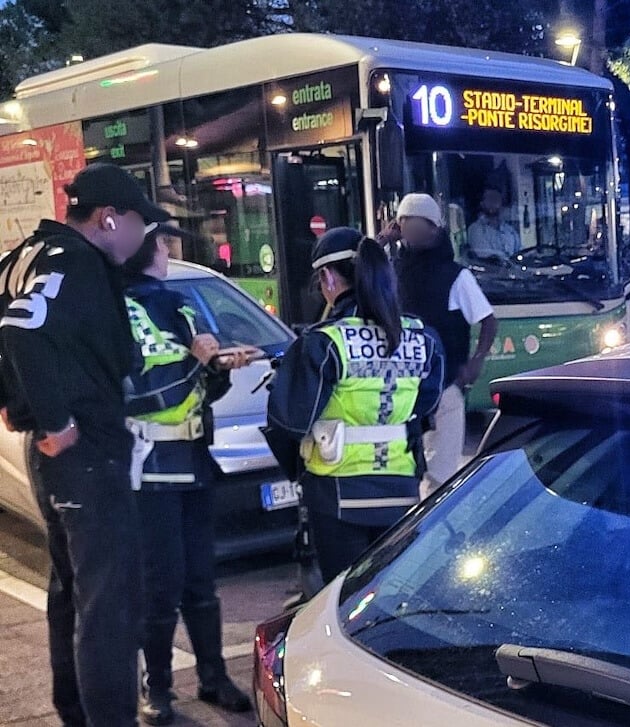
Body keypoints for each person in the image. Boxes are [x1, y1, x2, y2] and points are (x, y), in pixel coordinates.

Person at [0, 163, 169, 727]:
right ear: (108, 218)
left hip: (57, 458)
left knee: (70, 592)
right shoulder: (74, 262)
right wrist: (54, 420)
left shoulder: (28, 254)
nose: (143, 238)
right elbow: (23, 328)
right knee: (107, 607)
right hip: (86, 454)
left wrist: (14, 400)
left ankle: (74, 712)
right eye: (139, 225)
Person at [122, 224, 255, 724]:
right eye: (161, 241)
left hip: (196, 461)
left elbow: (200, 389)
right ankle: (156, 689)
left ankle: (213, 675)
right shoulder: (120, 308)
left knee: (202, 581)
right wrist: (196, 365)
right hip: (149, 469)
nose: (168, 250)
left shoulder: (179, 304)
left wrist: (219, 370)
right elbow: (139, 388)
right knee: (160, 586)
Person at [267, 227, 444, 584]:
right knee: (391, 602)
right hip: (401, 491)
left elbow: (289, 420)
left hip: (337, 496)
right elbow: (425, 407)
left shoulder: (325, 342)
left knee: (341, 604)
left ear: (328, 277)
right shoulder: (422, 336)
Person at [382, 193, 499, 495]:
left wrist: (476, 361)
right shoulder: (392, 271)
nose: (407, 232)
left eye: (413, 225)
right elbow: (355, 270)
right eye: (402, 225)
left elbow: (488, 320)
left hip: (444, 389)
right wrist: (382, 239)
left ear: (433, 229)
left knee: (440, 479)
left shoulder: (456, 276)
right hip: (401, 387)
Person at [466, 185, 521, 262]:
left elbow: (521, 251)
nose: (493, 203)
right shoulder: (475, 229)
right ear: (482, 203)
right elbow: (485, 256)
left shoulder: (510, 230)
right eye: (489, 199)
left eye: (496, 199)